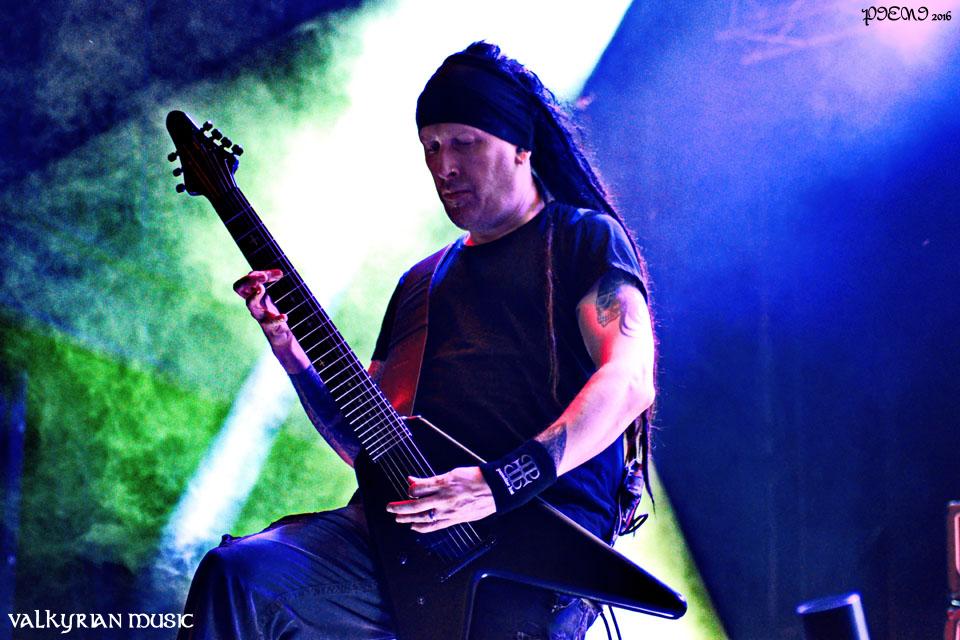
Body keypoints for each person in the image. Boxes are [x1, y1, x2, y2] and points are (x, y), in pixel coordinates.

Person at [178, 42, 657, 640]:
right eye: (431, 147)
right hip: (403, 547)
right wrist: (295, 357)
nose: (443, 167)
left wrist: (499, 482)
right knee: (241, 576)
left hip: (534, 553)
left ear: (520, 146)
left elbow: (629, 381)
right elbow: (369, 446)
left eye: (464, 143)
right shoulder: (420, 283)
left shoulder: (584, 239)